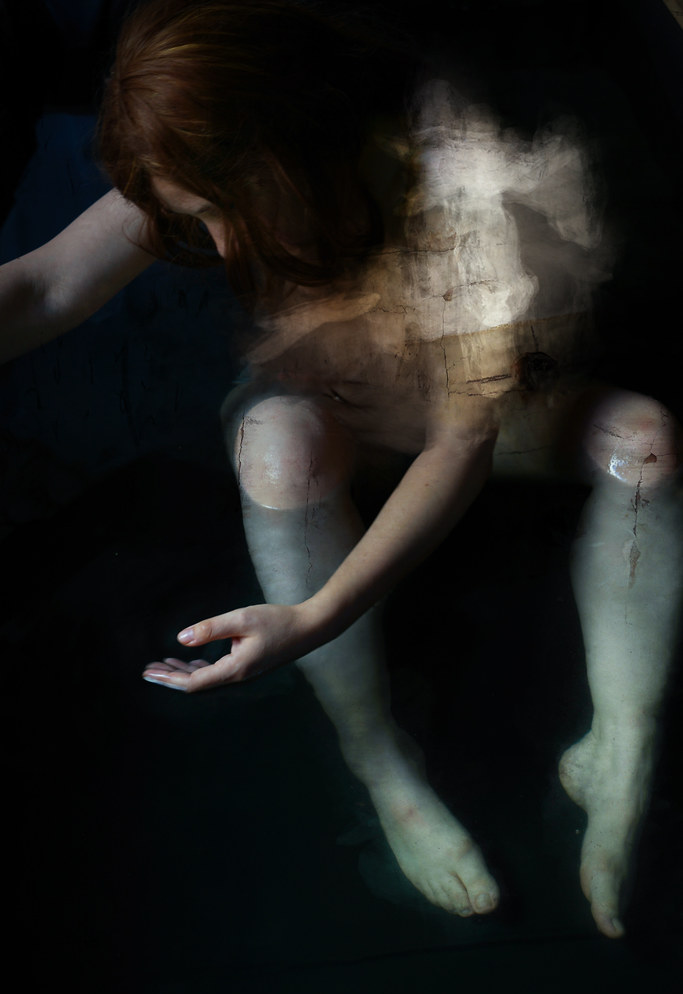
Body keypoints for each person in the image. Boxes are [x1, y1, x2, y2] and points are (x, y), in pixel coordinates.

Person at [1, 0, 681, 940]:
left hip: (477, 413)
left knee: (647, 442)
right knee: (281, 449)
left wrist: (313, 616)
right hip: (327, 409)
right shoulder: (202, 154)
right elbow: (44, 286)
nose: (223, 246)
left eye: (226, 210)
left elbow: (460, 443)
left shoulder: (457, 184)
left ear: (288, 147)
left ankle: (622, 747)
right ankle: (380, 763)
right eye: (200, 219)